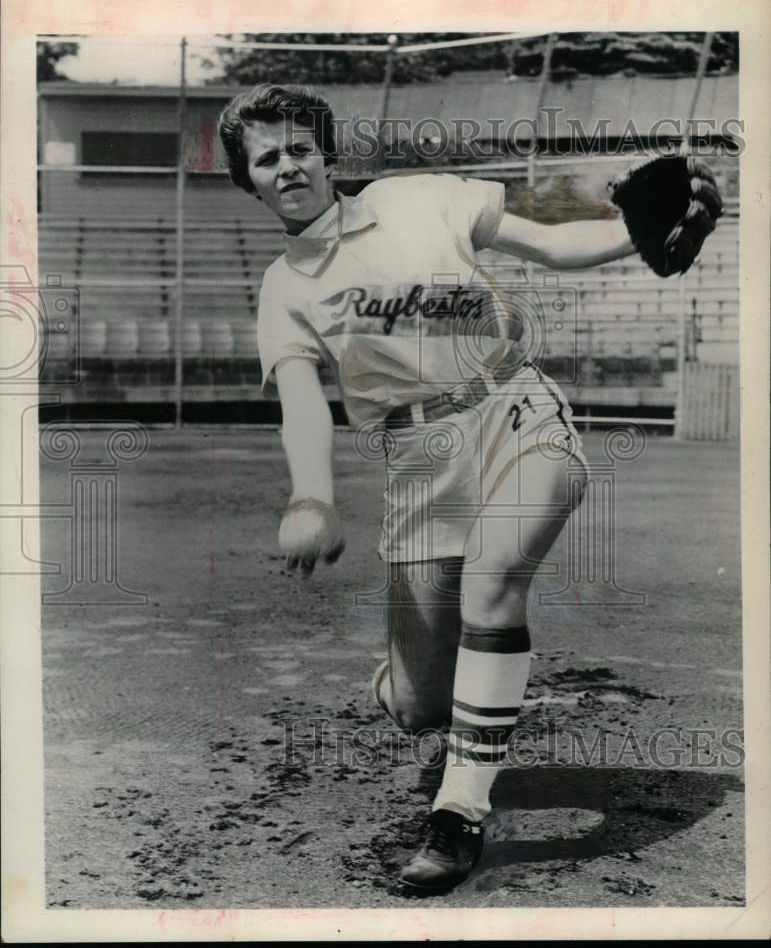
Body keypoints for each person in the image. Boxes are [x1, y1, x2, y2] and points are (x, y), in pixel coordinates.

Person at [217, 83, 718, 894]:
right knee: (419, 706)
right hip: (418, 463)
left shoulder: (418, 199)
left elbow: (547, 243)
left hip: (512, 409)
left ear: (326, 155)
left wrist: (639, 235)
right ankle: (420, 687)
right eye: (267, 157)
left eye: (301, 147)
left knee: (493, 588)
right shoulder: (285, 287)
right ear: (248, 181)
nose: (288, 165)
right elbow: (302, 403)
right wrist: (310, 496)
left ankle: (457, 815)